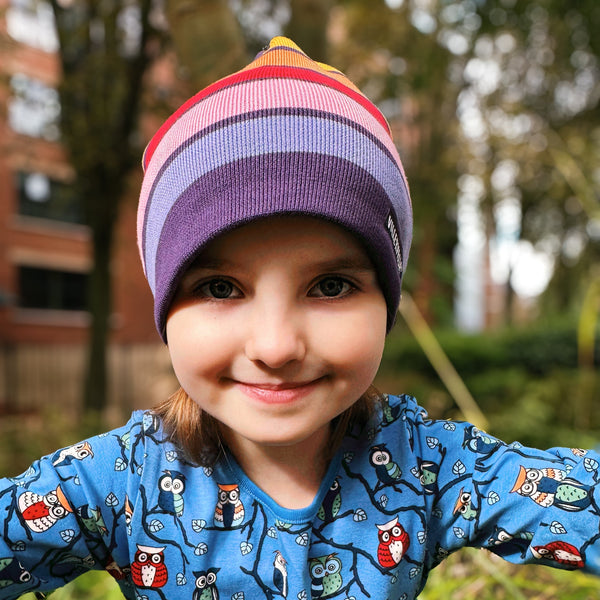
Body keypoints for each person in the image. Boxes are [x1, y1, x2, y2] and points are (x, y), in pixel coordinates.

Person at [0, 36, 598, 600]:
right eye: (219, 287)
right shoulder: (118, 483)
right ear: (166, 308)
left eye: (331, 286)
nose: (276, 346)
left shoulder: (428, 467)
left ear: (386, 304)